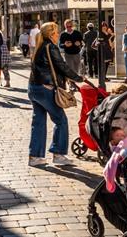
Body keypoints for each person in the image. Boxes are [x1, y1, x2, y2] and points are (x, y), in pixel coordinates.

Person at [28, 22, 85, 167]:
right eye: (56, 32)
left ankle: (35, 157)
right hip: (46, 89)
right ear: (51, 34)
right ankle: (58, 154)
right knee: (61, 120)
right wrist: (78, 78)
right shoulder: (50, 46)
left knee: (38, 122)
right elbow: (62, 65)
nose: (58, 35)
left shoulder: (39, 46)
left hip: (34, 88)